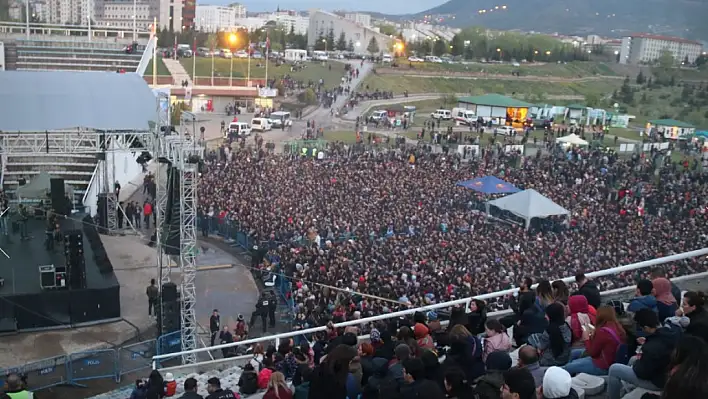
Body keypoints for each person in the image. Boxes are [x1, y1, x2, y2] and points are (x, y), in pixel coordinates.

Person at [607, 308, 680, 399]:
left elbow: (642, 373)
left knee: (614, 369)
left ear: (646, 328)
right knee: (633, 359)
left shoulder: (651, 347)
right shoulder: (672, 332)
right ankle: (627, 386)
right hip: (668, 374)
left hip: (657, 383)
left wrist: (637, 363)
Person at [563, 305, 626, 376]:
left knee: (569, 367)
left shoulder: (603, 332)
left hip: (602, 366)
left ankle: (564, 375)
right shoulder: (617, 327)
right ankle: (571, 373)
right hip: (608, 359)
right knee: (575, 353)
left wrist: (586, 339)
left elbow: (592, 353)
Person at [528, 302, 572, 367]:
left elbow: (541, 347)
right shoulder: (566, 325)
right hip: (565, 358)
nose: (545, 316)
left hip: (549, 361)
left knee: (532, 339)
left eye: (546, 314)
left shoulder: (550, 330)